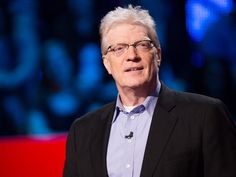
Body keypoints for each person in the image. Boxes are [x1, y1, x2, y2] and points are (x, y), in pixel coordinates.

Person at [63, 5, 236, 177]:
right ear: (107, 63)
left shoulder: (205, 115)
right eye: (118, 48)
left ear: (158, 55)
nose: (132, 55)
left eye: (142, 45)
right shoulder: (82, 131)